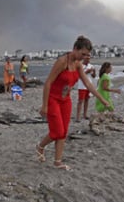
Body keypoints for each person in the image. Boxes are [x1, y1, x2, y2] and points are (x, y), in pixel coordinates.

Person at [36, 36, 110, 171]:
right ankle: (40, 146)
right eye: (83, 54)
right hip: (53, 99)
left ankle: (57, 162)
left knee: (63, 132)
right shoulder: (62, 62)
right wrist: (44, 105)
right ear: (75, 49)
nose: (84, 57)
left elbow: (88, 83)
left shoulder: (78, 65)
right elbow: (48, 83)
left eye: (87, 55)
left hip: (66, 101)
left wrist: (101, 99)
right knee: (56, 131)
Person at [76, 54, 96, 122]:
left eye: (89, 58)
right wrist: (86, 72)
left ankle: (85, 114)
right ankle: (78, 117)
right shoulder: (80, 65)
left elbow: (93, 76)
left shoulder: (91, 66)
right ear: (84, 58)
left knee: (87, 100)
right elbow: (78, 76)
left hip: (89, 85)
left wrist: (94, 72)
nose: (88, 60)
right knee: (80, 101)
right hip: (81, 85)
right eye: (87, 58)